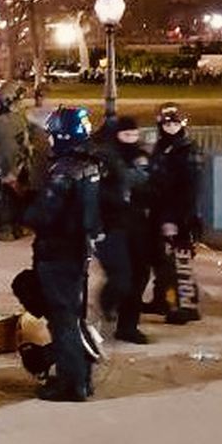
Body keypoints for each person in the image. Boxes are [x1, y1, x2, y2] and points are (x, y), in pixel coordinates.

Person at [22, 106, 102, 402]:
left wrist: (25, 208)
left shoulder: (64, 171)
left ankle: (71, 384)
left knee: (63, 321)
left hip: (59, 253)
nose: (51, 139)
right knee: (75, 318)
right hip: (78, 251)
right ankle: (83, 377)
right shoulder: (91, 165)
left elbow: (43, 214)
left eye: (53, 134)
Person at [144, 103, 204, 323]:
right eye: (167, 123)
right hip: (162, 211)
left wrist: (179, 219)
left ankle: (187, 306)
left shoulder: (186, 148)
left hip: (180, 215)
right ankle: (162, 299)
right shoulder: (163, 146)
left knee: (180, 260)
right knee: (162, 260)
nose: (171, 126)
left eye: (175, 123)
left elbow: (189, 189)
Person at [93, 116, 151, 344]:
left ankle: (128, 326)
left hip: (137, 225)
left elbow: (152, 186)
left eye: (134, 135)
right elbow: (102, 192)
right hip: (111, 226)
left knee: (139, 276)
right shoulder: (105, 158)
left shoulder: (141, 157)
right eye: (126, 135)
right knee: (121, 276)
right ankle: (108, 302)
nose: (131, 140)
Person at [0, 80, 32, 239]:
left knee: (3, 196)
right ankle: (17, 227)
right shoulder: (19, 119)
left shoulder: (2, 123)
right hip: (19, 167)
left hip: (6, 169)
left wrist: (7, 173)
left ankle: (7, 229)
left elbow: (4, 150)